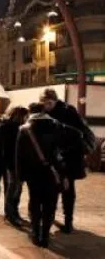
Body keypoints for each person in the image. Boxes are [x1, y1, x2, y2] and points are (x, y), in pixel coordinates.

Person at [16, 103, 82, 247]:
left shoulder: (24, 130)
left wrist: (21, 175)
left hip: (33, 174)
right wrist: (62, 152)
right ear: (44, 111)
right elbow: (78, 134)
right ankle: (45, 235)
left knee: (35, 202)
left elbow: (19, 156)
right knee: (50, 204)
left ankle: (35, 234)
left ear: (30, 113)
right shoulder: (56, 126)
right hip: (53, 173)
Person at [40, 88, 89, 233]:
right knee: (52, 190)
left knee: (68, 190)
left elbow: (78, 134)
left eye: (49, 103)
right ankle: (51, 217)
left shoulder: (68, 111)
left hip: (69, 157)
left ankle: (68, 221)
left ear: (55, 100)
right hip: (52, 158)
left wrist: (64, 148)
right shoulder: (44, 113)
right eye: (44, 103)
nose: (46, 106)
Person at [0, 106, 29, 226]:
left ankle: (1, 209)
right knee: (0, 184)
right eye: (24, 116)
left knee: (2, 185)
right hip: (1, 161)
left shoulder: (3, 124)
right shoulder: (6, 126)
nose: (26, 119)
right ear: (18, 115)